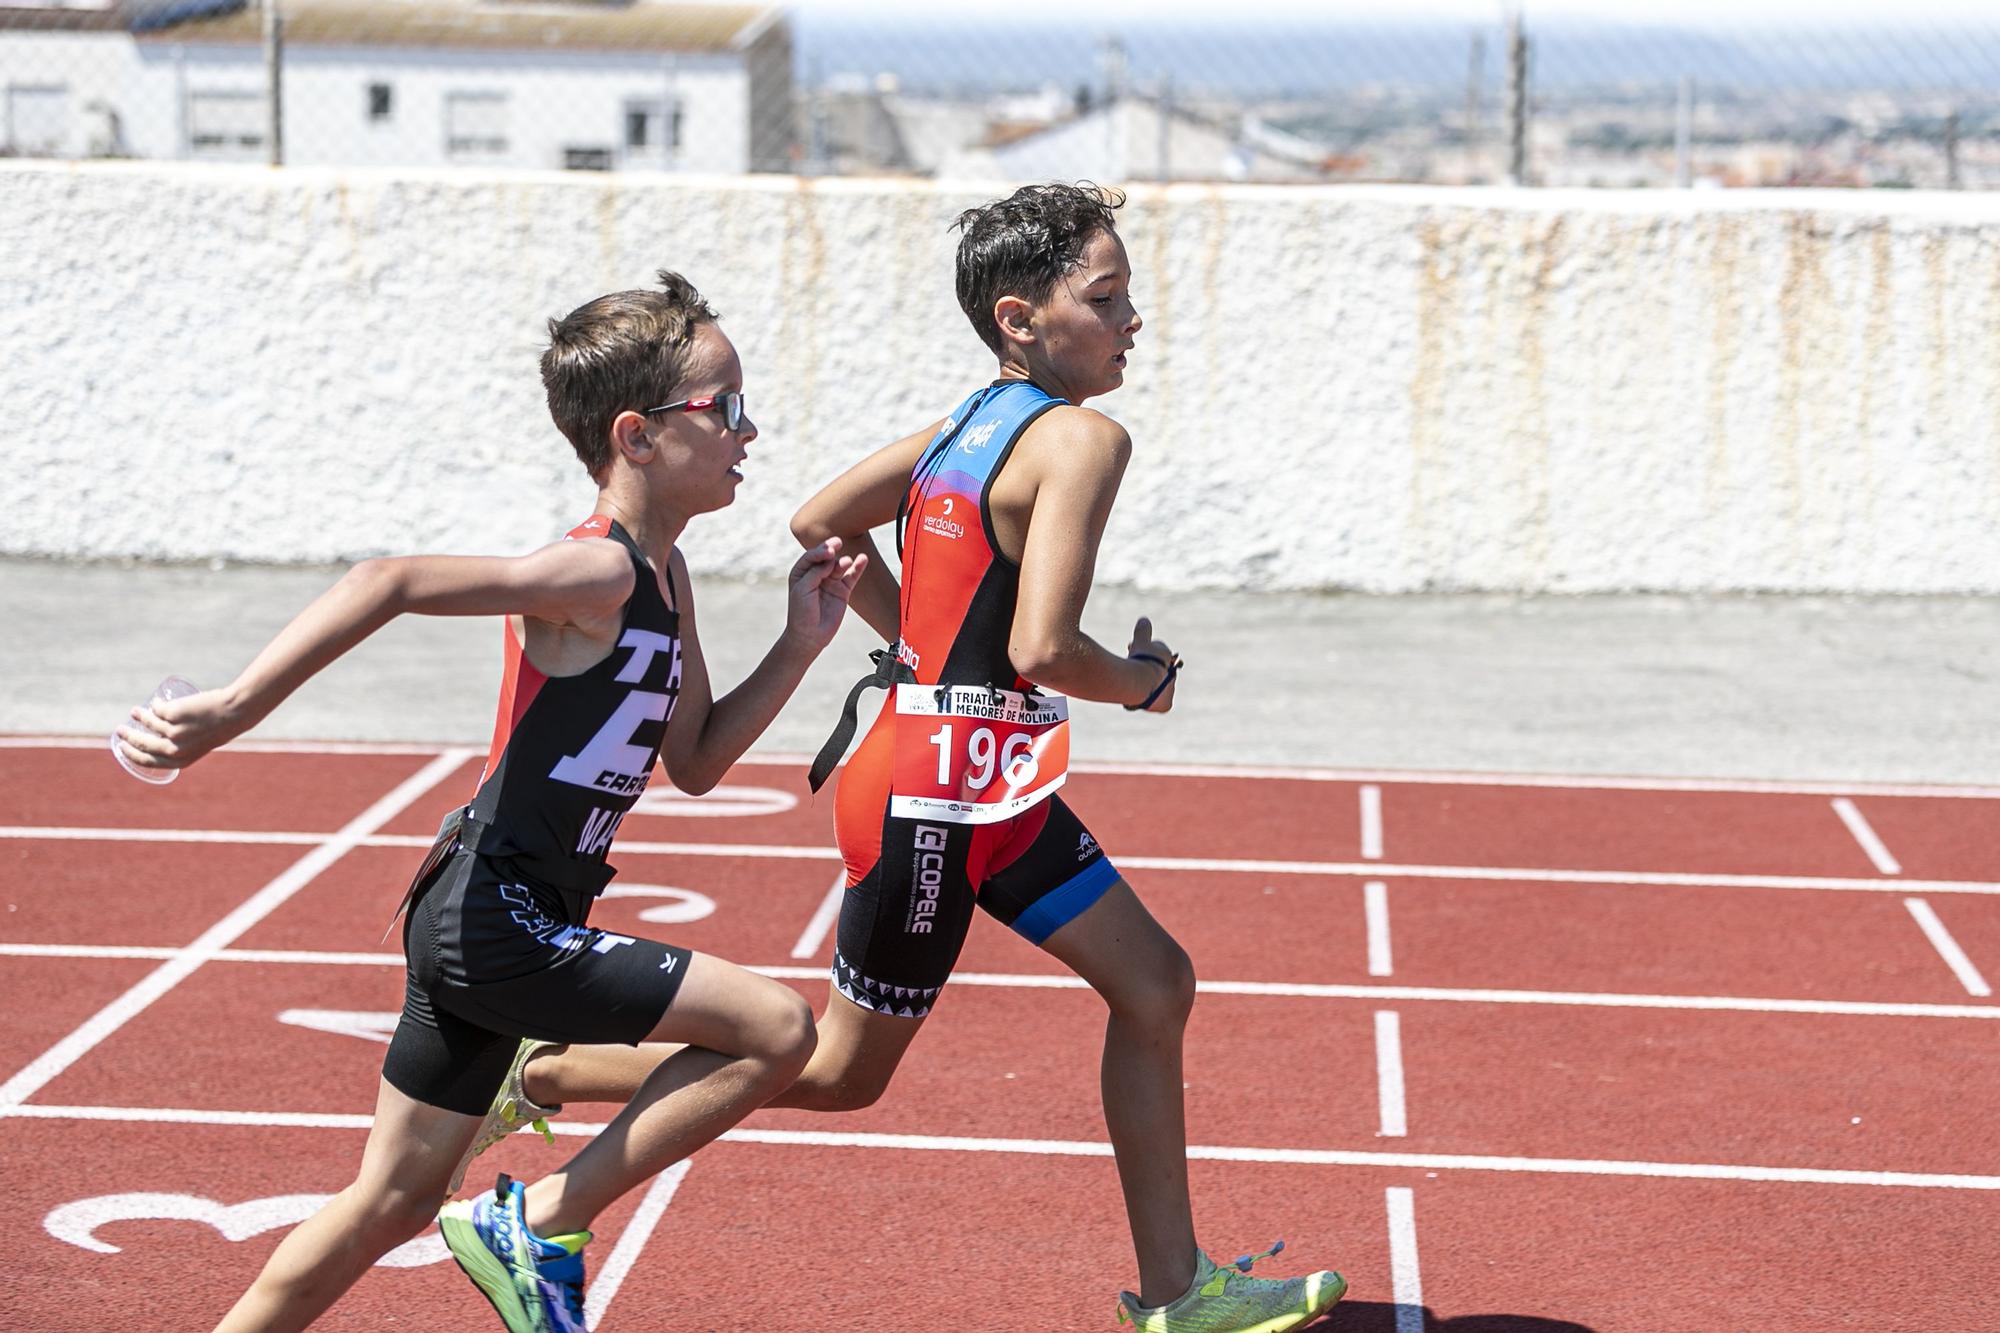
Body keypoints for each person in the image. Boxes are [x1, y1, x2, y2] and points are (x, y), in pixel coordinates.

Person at [460, 185, 1348, 1332]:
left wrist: (920, 649)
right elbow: (1042, 643)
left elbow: (818, 521)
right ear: (1020, 317)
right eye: (1108, 296)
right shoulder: (1081, 437)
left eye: (1130, 295)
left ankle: (1177, 1294)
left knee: (1155, 983)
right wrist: (1145, 681)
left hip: (994, 781)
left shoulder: (967, 421)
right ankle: (537, 1083)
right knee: (836, 1073)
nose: (1135, 319)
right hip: (935, 797)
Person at [113, 271, 863, 1333]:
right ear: (636, 436)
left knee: (392, 1199)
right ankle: (540, 1218)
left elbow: (692, 759)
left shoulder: (664, 574)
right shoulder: (595, 570)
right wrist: (232, 709)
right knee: (777, 1031)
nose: (751, 429)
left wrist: (798, 644)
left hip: (486, 910)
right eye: (725, 407)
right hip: (498, 918)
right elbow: (391, 579)